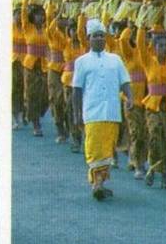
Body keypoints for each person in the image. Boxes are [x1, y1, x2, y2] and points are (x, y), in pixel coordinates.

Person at [71, 19, 133, 201]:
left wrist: (130, 97)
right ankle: (97, 184)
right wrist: (76, 114)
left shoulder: (115, 60)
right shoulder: (82, 62)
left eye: (101, 36)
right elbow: (76, 90)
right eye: (95, 36)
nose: (98, 39)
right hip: (92, 112)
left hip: (112, 112)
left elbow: (125, 81)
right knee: (94, 148)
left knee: (107, 149)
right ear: (88, 38)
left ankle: (100, 183)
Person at [136, 26, 166, 189]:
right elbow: (140, 43)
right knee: (155, 135)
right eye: (160, 46)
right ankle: (151, 167)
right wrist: (143, 29)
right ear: (155, 48)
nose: (164, 49)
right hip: (154, 107)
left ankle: (164, 175)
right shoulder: (148, 61)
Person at [117, 24, 150, 178]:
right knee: (136, 132)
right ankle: (139, 164)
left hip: (149, 101)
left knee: (145, 133)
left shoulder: (153, 55)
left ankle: (136, 157)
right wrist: (130, 26)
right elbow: (123, 39)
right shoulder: (130, 54)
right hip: (132, 100)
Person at [58, 14, 88, 154]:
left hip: (83, 84)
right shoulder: (64, 43)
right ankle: (75, 138)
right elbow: (52, 30)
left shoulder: (84, 45)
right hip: (69, 83)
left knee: (85, 111)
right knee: (71, 110)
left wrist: (81, 15)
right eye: (72, 30)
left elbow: (82, 33)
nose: (74, 33)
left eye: (76, 30)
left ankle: (86, 138)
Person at [20, 3, 50, 137]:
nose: (41, 17)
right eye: (38, 15)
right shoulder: (27, 27)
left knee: (45, 95)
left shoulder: (46, 29)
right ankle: (36, 124)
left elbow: (51, 14)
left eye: (42, 15)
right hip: (31, 65)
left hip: (43, 65)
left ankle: (33, 113)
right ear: (33, 16)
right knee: (32, 94)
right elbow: (23, 13)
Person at [45, 14, 70, 143]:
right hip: (54, 70)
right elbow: (50, 27)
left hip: (68, 71)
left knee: (68, 101)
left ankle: (69, 127)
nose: (63, 21)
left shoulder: (71, 34)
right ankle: (60, 128)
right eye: (61, 18)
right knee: (57, 99)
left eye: (65, 19)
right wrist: (57, 12)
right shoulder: (52, 33)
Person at [11, 6, 27, 130]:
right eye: (17, 14)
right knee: (14, 89)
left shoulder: (27, 27)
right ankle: (15, 116)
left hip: (26, 62)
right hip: (13, 61)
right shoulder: (9, 27)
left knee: (24, 89)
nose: (19, 17)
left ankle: (24, 113)